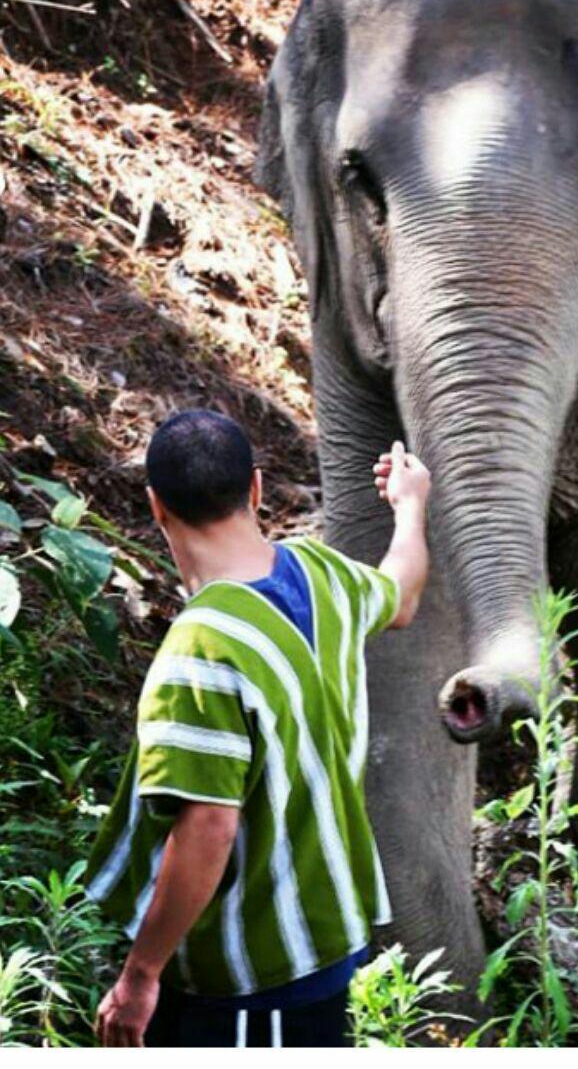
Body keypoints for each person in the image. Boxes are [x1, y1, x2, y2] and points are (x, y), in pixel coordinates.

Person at [84, 408, 430, 1047]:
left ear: (156, 507)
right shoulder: (323, 575)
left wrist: (140, 975)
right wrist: (410, 506)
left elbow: (209, 828)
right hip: (324, 948)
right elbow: (401, 593)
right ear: (257, 489)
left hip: (248, 984)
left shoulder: (200, 649)